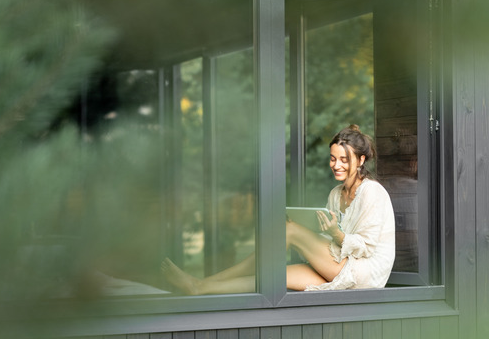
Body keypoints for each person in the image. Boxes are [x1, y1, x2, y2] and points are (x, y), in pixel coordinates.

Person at [161, 124, 395, 294]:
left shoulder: (372, 192)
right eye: (333, 159)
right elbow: (329, 240)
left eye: (344, 160)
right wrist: (316, 230)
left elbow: (365, 248)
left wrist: (333, 233)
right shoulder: (336, 193)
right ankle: (200, 286)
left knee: (287, 230)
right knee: (275, 276)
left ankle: (204, 281)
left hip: (365, 272)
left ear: (361, 160)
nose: (336, 165)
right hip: (341, 263)